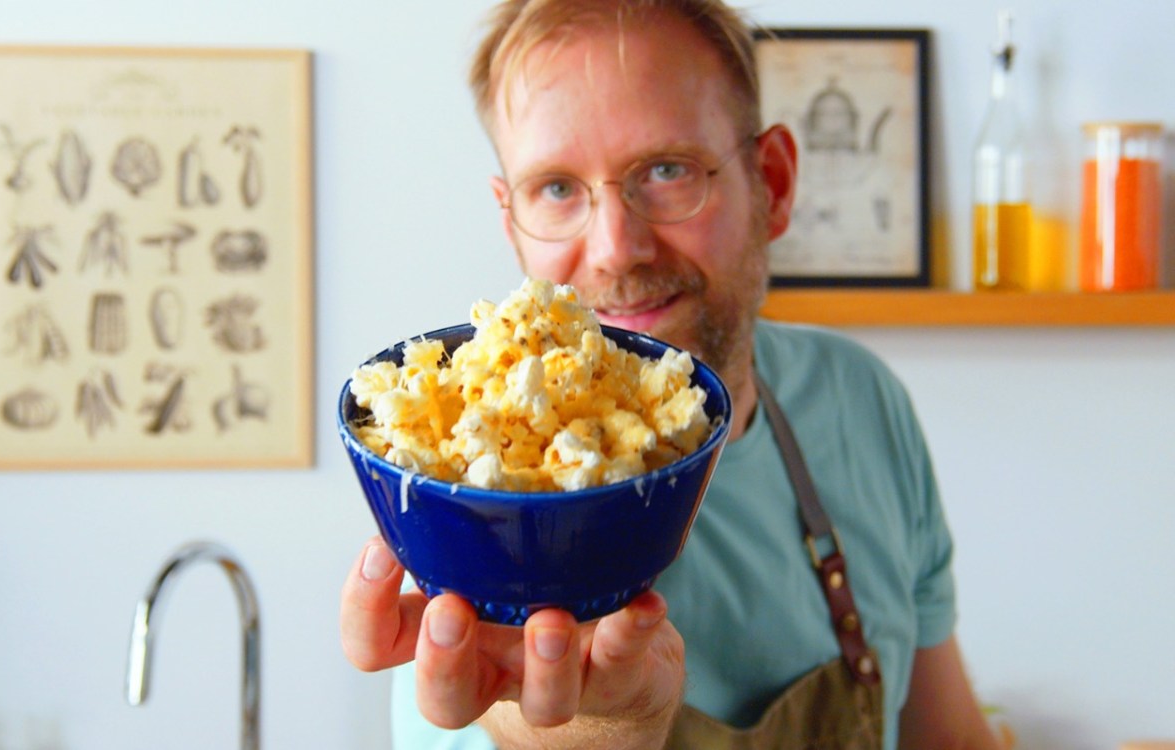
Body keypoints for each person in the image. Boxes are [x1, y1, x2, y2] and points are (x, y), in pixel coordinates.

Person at [340, 1, 1003, 748]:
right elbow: (521, 716)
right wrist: (597, 725)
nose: (617, 248)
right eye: (557, 189)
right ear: (512, 223)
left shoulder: (861, 399)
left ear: (773, 185)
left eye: (666, 170)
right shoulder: (477, 505)